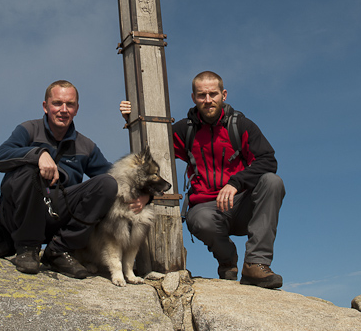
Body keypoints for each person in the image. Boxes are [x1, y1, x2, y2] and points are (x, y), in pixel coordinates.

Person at [120, 71, 285, 288]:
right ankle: (227, 261)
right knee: (198, 220)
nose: (208, 100)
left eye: (213, 94)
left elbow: (267, 160)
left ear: (223, 95)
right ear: (194, 98)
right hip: (207, 208)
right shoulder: (184, 129)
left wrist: (235, 183)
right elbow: (153, 148)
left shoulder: (242, 126)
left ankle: (256, 264)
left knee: (273, 182)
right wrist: (133, 120)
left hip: (242, 204)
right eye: (202, 95)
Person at [0, 80, 144, 278]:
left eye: (70, 104)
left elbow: (117, 177)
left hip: (56, 213)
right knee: (28, 172)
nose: (63, 109)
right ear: (45, 106)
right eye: (57, 103)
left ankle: (59, 250)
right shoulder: (28, 129)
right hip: (20, 214)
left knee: (108, 184)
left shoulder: (85, 145)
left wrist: (146, 196)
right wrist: (38, 154)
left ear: (77, 109)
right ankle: (27, 248)